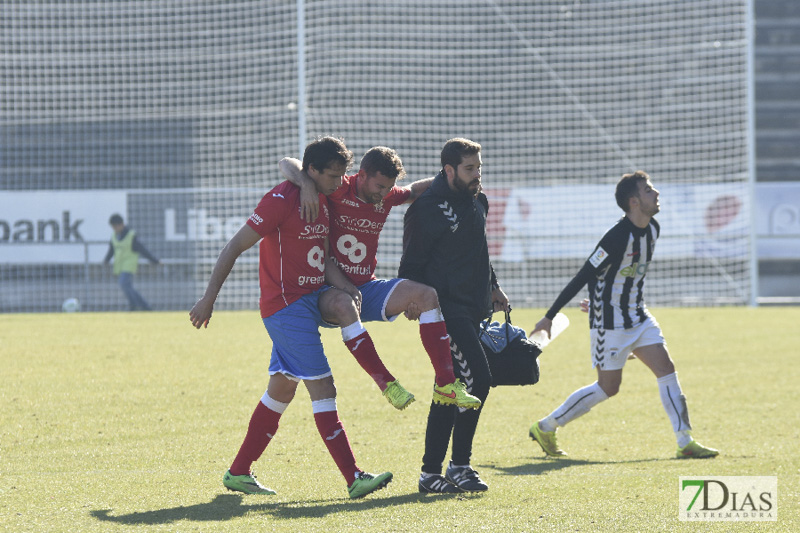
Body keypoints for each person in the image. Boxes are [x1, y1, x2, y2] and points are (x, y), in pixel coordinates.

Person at [189, 136, 392, 498]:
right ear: (311, 171)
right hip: (285, 308)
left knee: (281, 388)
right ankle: (354, 477)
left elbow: (325, 257)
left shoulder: (323, 199)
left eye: (341, 175)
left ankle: (238, 472)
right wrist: (208, 298)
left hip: (307, 303)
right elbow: (234, 246)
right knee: (324, 387)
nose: (338, 183)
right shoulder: (280, 201)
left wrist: (345, 287)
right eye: (332, 176)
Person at [528, 170, 719, 460]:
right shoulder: (616, 237)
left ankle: (685, 440)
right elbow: (586, 274)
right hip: (609, 323)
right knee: (608, 388)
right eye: (648, 190)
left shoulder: (653, 228)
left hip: (639, 317)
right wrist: (550, 316)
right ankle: (546, 426)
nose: (655, 193)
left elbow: (624, 278)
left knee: (666, 369)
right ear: (633, 202)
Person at [279, 147, 481, 411]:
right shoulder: (337, 188)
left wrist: (457, 177)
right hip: (326, 291)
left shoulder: (385, 196)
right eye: (379, 186)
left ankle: (446, 385)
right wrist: (305, 184)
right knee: (343, 305)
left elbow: (412, 191)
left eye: (389, 188)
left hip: (365, 289)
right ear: (361, 175)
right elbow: (286, 162)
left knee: (427, 296)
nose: (383, 194)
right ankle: (387, 384)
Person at [399, 138, 509, 493]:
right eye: (469, 168)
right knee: (477, 378)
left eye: (479, 167)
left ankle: (434, 473)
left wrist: (494, 286)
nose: (477, 174)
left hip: (472, 307)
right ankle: (456, 465)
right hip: (444, 310)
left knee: (451, 386)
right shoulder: (426, 208)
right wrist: (411, 299)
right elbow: (410, 264)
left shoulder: (479, 200)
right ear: (449, 170)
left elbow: (481, 251)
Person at [103, 214, 160, 311]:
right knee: (127, 287)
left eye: (115, 226)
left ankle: (135, 305)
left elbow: (142, 249)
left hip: (129, 266)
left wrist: (154, 260)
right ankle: (144, 306)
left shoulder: (131, 235)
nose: (114, 229)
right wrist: (106, 260)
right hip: (120, 266)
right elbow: (111, 250)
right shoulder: (114, 236)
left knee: (123, 284)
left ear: (121, 224)